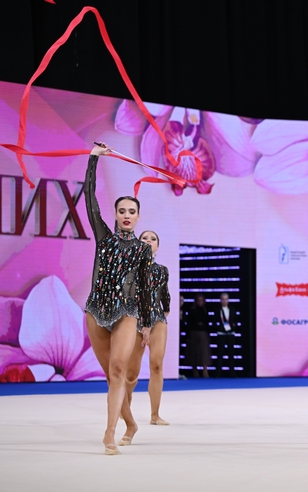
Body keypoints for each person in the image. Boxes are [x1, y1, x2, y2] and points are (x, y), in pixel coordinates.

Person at [83, 142, 153, 455]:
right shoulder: (104, 237)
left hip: (127, 311)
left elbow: (146, 286)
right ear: (115, 214)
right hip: (96, 311)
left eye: (132, 212)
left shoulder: (142, 249)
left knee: (118, 371)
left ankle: (109, 433)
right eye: (122, 210)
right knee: (111, 377)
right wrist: (93, 159)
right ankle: (130, 422)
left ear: (138, 218)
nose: (127, 215)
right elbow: (89, 198)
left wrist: (147, 323)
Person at [125, 230, 171, 426]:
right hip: (135, 320)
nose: (149, 241)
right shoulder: (130, 270)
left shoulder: (162, 270)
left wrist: (164, 312)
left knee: (157, 365)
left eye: (153, 239)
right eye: (145, 238)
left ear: (157, 246)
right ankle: (125, 409)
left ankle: (155, 415)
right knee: (132, 372)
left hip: (157, 319)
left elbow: (165, 296)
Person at [215, 292, 238, 377]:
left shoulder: (232, 309)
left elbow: (236, 320)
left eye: (226, 299)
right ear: (220, 300)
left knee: (231, 354)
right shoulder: (218, 310)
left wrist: (234, 325)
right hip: (221, 334)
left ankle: (232, 373)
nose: (224, 301)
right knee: (220, 354)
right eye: (223, 299)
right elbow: (214, 321)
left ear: (228, 300)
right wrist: (219, 327)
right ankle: (218, 373)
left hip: (231, 333)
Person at [189, 294, 211, 378]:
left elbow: (207, 322)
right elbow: (189, 323)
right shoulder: (192, 310)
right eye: (198, 300)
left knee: (204, 353)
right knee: (194, 352)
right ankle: (195, 371)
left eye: (201, 300)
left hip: (203, 333)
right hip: (194, 333)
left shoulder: (205, 310)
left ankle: (205, 371)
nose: (200, 302)